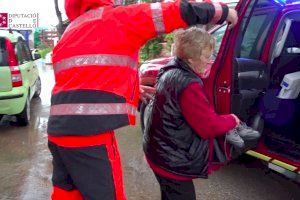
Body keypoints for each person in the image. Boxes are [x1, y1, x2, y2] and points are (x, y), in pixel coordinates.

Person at [47, 0, 238, 199]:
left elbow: (79, 79)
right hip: (89, 135)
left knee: (65, 194)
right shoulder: (114, 18)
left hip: (57, 132)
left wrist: (130, 90)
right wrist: (222, 11)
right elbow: (175, 11)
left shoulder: (71, 31)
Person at [143, 27, 241, 200]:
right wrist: (232, 120)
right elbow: (208, 126)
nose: (210, 61)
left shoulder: (170, 69)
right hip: (171, 161)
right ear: (190, 58)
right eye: (206, 57)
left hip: (158, 152)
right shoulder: (189, 85)